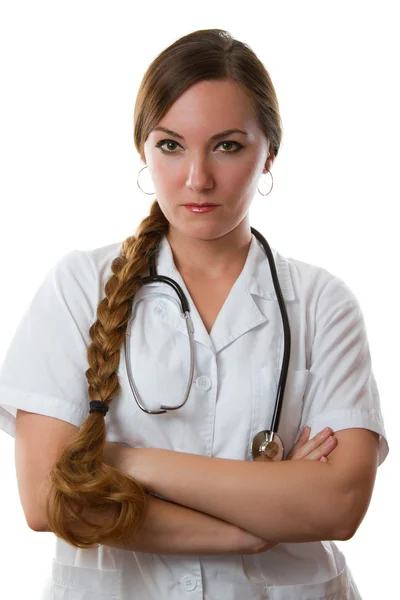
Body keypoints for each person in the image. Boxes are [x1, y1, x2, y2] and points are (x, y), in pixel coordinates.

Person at [0, 28, 389, 600]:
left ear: (270, 153)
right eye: (171, 145)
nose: (197, 178)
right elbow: (45, 501)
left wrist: (125, 461)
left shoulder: (323, 304)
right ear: (143, 149)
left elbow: (339, 505)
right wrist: (253, 527)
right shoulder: (79, 286)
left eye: (228, 146)